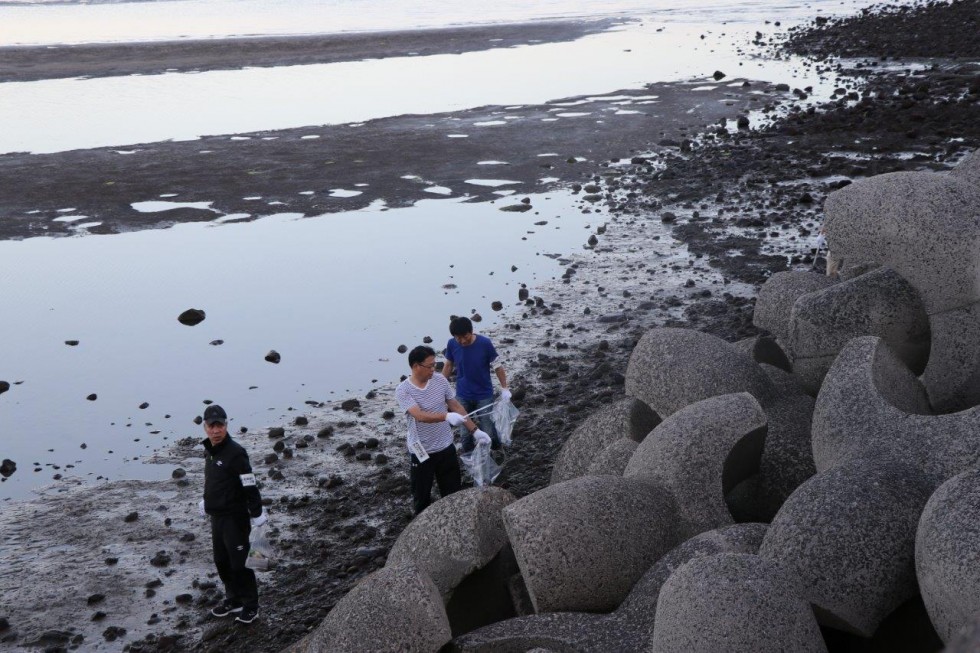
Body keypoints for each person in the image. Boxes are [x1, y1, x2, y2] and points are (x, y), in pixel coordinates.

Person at [395, 345, 491, 515]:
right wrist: (446, 416)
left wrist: (474, 430)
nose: (433, 369)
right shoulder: (403, 390)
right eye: (430, 366)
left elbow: (455, 405)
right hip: (421, 450)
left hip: (446, 447)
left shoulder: (440, 380)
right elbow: (419, 415)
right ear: (416, 366)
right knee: (421, 497)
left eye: (435, 365)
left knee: (453, 493)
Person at [198, 404, 267, 625]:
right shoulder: (210, 450)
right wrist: (206, 500)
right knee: (222, 561)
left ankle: (251, 606)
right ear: (205, 427)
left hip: (235, 517)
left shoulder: (236, 453)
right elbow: (214, 480)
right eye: (211, 426)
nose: (216, 431)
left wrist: (257, 513)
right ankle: (234, 599)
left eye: (220, 426)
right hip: (216, 516)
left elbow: (249, 484)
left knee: (240, 563)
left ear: (226, 426)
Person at [442, 317, 511, 452]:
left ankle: (497, 452)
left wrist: (504, 388)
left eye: (465, 336)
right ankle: (471, 463)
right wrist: (439, 386)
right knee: (465, 435)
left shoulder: (484, 343)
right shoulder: (452, 344)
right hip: (462, 395)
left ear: (471, 331)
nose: (462, 341)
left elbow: (497, 366)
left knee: (488, 430)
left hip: (484, 395)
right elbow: (448, 365)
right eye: (458, 338)